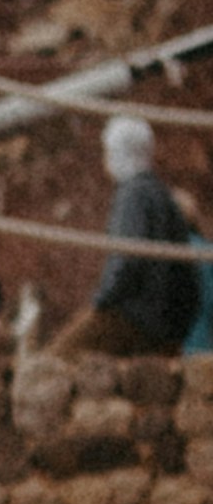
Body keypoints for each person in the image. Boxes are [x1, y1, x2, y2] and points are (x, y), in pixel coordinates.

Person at [74, 110, 203, 360]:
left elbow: (127, 263)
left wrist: (100, 302)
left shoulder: (133, 195)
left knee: (61, 354)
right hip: (172, 322)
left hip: (140, 318)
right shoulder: (161, 192)